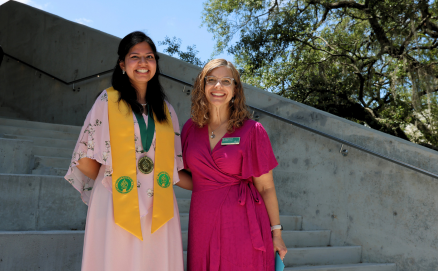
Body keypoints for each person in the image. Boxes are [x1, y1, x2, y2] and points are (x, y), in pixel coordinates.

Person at [65, 31, 186, 271]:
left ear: (156, 64)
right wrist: (112, 181)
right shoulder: (107, 101)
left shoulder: (166, 110)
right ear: (122, 64)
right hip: (115, 198)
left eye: (149, 57)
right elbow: (84, 159)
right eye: (135, 56)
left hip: (158, 203)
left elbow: (174, 164)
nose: (143, 63)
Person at [181, 59, 288, 271]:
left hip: (242, 222)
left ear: (235, 89)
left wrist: (277, 234)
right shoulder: (190, 129)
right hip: (202, 220)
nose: (218, 86)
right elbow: (197, 180)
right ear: (202, 86)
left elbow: (266, 187)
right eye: (211, 80)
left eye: (226, 81)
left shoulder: (252, 130)